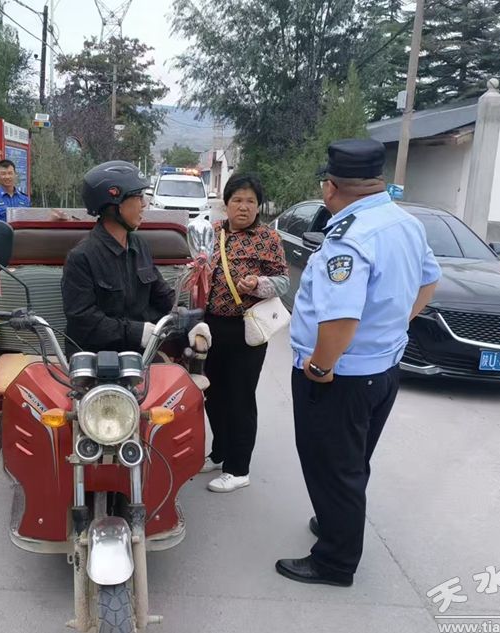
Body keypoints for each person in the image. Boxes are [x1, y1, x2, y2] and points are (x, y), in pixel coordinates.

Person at [275, 138, 440, 586]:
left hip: (341, 377)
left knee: (332, 465)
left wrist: (320, 367)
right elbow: (429, 280)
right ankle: (336, 523)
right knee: (352, 460)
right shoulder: (405, 223)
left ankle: (335, 561)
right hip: (382, 370)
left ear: (330, 187)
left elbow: (341, 319)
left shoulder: (349, 238)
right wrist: (393, 324)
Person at [199, 173, 289, 493]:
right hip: (210, 326)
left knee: (240, 397)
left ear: (258, 206)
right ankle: (220, 451)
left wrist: (258, 283)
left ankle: (238, 469)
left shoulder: (268, 238)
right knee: (212, 393)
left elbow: (283, 281)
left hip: (247, 329)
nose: (243, 206)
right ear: (226, 203)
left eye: (251, 201)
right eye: (237, 199)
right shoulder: (212, 232)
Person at [61, 160, 209, 355]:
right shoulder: (81, 257)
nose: (144, 204)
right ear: (115, 203)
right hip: (95, 357)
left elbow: (163, 296)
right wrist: (137, 332)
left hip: (140, 355)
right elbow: (82, 319)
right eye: (138, 196)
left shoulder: (139, 246)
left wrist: (190, 322)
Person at [0, 159, 31, 223]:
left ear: (15, 174)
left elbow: (28, 223)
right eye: (3, 174)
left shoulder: (24, 199)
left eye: (10, 173)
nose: (7, 177)